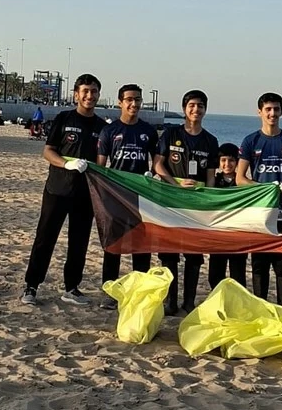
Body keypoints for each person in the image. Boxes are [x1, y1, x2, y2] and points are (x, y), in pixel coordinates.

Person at [22, 74, 104, 307]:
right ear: (76, 94)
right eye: (85, 91)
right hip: (57, 190)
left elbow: (103, 162)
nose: (90, 96)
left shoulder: (101, 127)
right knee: (45, 238)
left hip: (86, 194)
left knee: (79, 242)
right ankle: (31, 285)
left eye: (94, 91)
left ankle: (71, 287)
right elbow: (48, 151)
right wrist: (66, 163)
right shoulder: (64, 118)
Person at [155, 89, 220, 315]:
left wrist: (209, 199)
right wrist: (174, 185)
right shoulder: (171, 134)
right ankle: (170, 302)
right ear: (184, 108)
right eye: (192, 105)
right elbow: (158, 165)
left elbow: (211, 175)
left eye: (200, 105)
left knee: (194, 254)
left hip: (196, 206)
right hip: (170, 201)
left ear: (205, 109)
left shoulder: (211, 141)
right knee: (169, 254)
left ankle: (189, 302)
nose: (196, 109)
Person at [95, 84, 159, 309]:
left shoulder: (149, 131)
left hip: (141, 198)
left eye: (138, 100)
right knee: (114, 245)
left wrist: (157, 175)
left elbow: (157, 162)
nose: (134, 104)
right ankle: (110, 292)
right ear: (120, 102)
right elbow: (101, 167)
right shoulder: (109, 132)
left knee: (141, 246)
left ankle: (138, 291)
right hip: (115, 197)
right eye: (129, 99)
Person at [236, 92, 282, 308]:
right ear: (260, 112)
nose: (272, 113)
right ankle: (260, 308)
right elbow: (240, 179)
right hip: (260, 212)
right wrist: (263, 187)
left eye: (276, 109)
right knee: (259, 266)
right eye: (268, 109)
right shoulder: (251, 140)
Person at [208, 143, 248, 290]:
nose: (227, 164)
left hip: (238, 236)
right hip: (218, 235)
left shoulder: (243, 183)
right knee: (214, 276)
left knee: (238, 276)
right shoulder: (213, 182)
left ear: (237, 162)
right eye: (223, 160)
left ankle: (237, 306)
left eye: (231, 160)